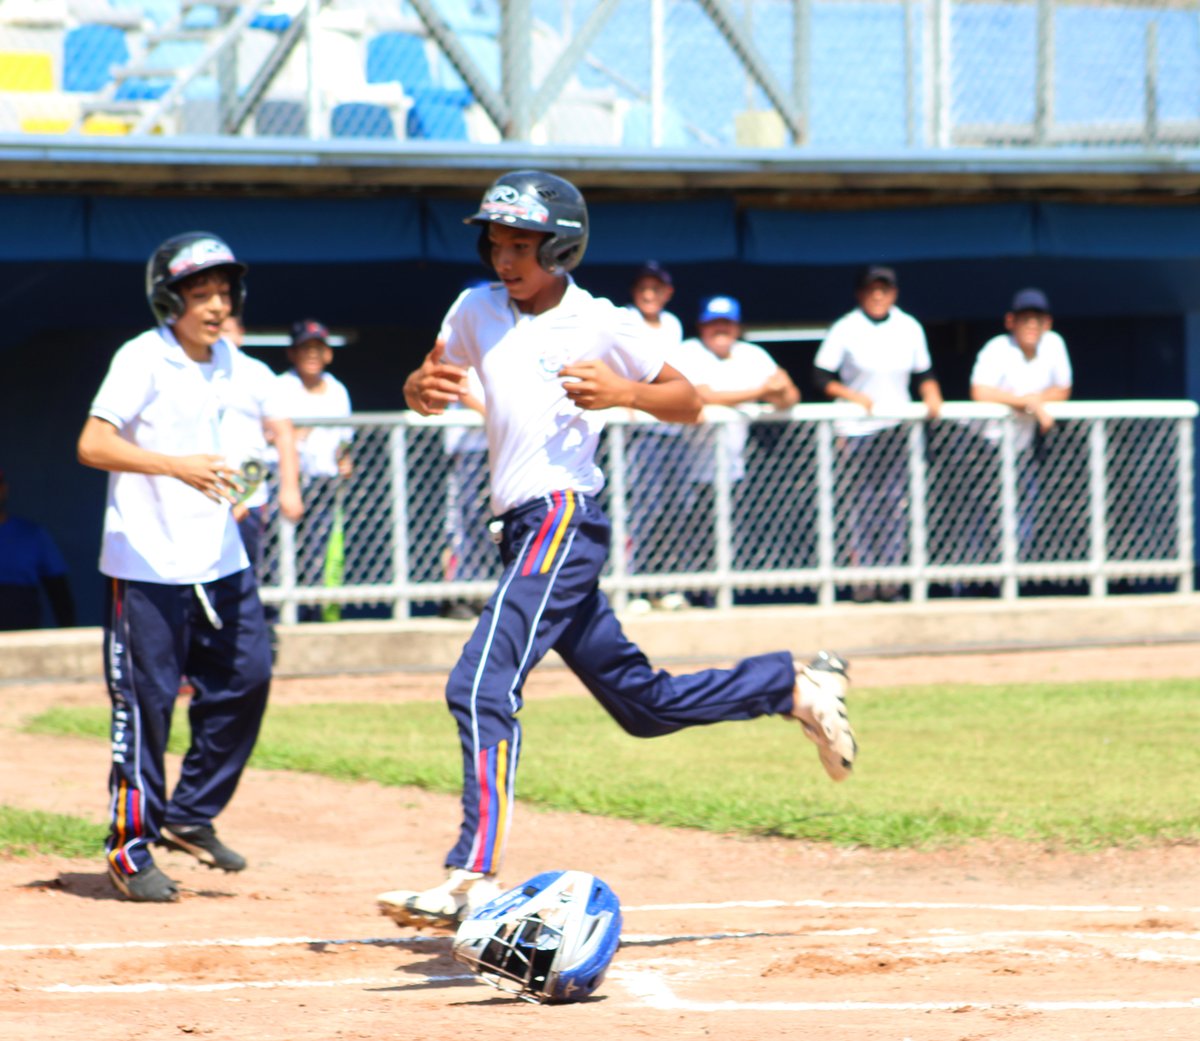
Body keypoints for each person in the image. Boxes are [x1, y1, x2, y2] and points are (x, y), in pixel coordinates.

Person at [376, 169, 857, 930]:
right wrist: (417, 387)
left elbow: (688, 401)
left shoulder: (600, 322)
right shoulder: (474, 308)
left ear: (560, 248)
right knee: (643, 705)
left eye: (522, 246)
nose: (505, 259)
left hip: (562, 519)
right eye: (496, 244)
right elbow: (433, 374)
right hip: (519, 533)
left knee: (479, 682)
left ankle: (473, 876)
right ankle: (791, 687)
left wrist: (626, 393)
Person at [76, 231, 275, 903]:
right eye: (201, 294)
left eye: (224, 292)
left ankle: (190, 813)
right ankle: (129, 847)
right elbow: (92, 444)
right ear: (169, 300)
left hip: (221, 558)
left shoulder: (239, 366)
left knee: (248, 678)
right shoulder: (142, 357)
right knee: (147, 707)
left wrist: (249, 491)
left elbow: (250, 447)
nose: (217, 306)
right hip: (146, 562)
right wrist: (174, 466)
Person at [813, 265, 944, 602]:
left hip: (896, 428)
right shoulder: (846, 327)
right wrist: (853, 396)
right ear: (860, 294)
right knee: (862, 505)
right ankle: (864, 579)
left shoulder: (908, 326)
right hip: (857, 430)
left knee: (894, 503)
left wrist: (932, 395)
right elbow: (820, 375)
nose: (877, 295)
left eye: (884, 289)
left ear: (893, 293)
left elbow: (925, 373)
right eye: (871, 289)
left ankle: (890, 578)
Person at [676, 295, 801, 597]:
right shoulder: (687, 352)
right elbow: (701, 395)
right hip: (685, 470)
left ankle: (720, 596)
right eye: (713, 323)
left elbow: (789, 397)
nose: (720, 329)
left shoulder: (752, 355)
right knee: (689, 537)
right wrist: (760, 390)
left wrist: (779, 388)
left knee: (729, 536)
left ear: (737, 327)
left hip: (734, 467)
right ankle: (686, 594)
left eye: (727, 324)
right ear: (701, 326)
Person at [968, 287, 1073, 565]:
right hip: (985, 447)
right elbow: (980, 391)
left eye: (1037, 319)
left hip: (1023, 447)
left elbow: (1063, 390)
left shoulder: (1054, 344)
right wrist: (1027, 403)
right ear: (1010, 321)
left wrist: (1035, 402)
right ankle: (979, 577)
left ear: (1047, 323)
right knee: (983, 516)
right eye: (1025, 319)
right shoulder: (996, 349)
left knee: (1025, 511)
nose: (1031, 325)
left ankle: (1014, 571)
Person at [272, 319, 354, 621]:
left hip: (324, 480)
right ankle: (279, 610)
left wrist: (345, 459)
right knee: (281, 546)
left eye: (317, 348)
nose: (311, 354)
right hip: (285, 480)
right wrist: (294, 435)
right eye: (304, 348)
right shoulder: (280, 386)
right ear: (292, 353)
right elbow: (269, 433)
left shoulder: (337, 389)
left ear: (327, 354)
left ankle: (310, 610)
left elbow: (345, 440)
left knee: (318, 547)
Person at [623, 261, 690, 613]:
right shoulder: (624, 319)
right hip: (639, 433)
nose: (649, 295)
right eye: (643, 288)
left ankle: (666, 585)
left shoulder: (674, 324)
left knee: (675, 509)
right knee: (641, 508)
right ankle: (633, 586)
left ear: (668, 293)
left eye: (656, 289)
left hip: (673, 431)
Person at [0, 467, 76, 630]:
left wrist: (68, 634)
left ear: (4, 489)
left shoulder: (32, 534)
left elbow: (59, 592)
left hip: (20, 631)